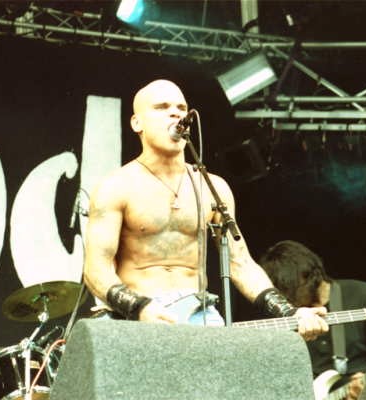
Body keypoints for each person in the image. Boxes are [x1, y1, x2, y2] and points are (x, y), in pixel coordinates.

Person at [82, 79, 327, 339]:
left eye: (181, 107)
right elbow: (96, 270)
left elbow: (240, 263)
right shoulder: (116, 186)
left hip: (200, 313)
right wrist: (138, 308)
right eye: (162, 107)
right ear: (137, 123)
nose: (175, 113)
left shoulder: (213, 187)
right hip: (140, 314)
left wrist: (288, 312)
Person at [259, 240, 366, 400]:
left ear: (308, 276)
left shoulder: (361, 294)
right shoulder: (289, 315)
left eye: (288, 290)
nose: (287, 299)